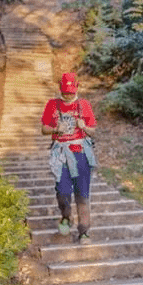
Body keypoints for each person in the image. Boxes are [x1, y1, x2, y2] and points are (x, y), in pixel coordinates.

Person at [40, 72, 97, 243]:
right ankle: (66, 216)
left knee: (82, 193)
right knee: (63, 190)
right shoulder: (52, 104)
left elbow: (93, 131)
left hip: (81, 153)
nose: (68, 95)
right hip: (61, 154)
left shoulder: (84, 105)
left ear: (77, 88)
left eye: (71, 92)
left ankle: (84, 231)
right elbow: (44, 129)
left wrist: (84, 126)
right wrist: (56, 128)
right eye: (65, 92)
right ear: (60, 89)